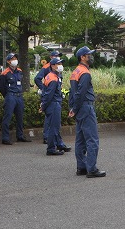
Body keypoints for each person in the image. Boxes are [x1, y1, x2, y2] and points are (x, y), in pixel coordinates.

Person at [69, 46, 106, 178]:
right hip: (86, 107)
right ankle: (91, 169)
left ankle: (81, 167)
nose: (90, 57)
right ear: (82, 57)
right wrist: (76, 107)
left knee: (80, 140)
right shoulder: (84, 72)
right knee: (92, 139)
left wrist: (72, 108)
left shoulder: (75, 72)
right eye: (88, 55)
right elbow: (81, 93)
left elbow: (72, 93)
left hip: (79, 108)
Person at [0, 53, 30, 145]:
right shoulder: (5, 73)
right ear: (8, 61)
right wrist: (7, 96)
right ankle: (5, 138)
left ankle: (20, 135)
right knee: (7, 117)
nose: (14, 60)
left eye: (15, 58)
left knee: (20, 117)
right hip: (10, 95)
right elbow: (1, 88)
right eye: (12, 59)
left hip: (19, 95)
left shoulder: (19, 71)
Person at [41, 57, 70, 155]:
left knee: (54, 126)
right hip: (53, 104)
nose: (60, 66)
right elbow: (49, 95)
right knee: (54, 127)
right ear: (52, 66)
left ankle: (59, 144)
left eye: (61, 63)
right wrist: (43, 106)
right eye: (58, 64)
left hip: (52, 104)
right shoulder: (53, 78)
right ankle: (51, 149)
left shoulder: (51, 76)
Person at [35, 50, 61, 144]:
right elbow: (37, 78)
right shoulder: (46, 67)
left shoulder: (58, 69)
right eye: (55, 56)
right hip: (50, 96)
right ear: (51, 57)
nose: (57, 57)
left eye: (58, 56)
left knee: (55, 121)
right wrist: (44, 88)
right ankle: (47, 137)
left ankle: (57, 140)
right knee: (49, 118)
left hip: (55, 95)